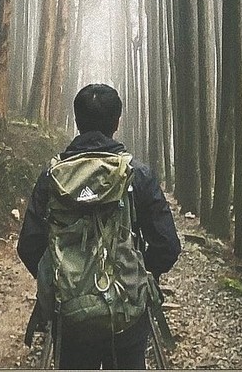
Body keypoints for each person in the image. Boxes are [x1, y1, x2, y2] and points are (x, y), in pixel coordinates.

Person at [17, 83, 181, 369]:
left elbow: (29, 245)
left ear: (77, 122)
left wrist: (60, 279)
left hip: (70, 317)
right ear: (117, 122)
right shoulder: (137, 175)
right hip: (127, 315)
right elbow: (167, 246)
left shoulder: (52, 177)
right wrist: (141, 275)